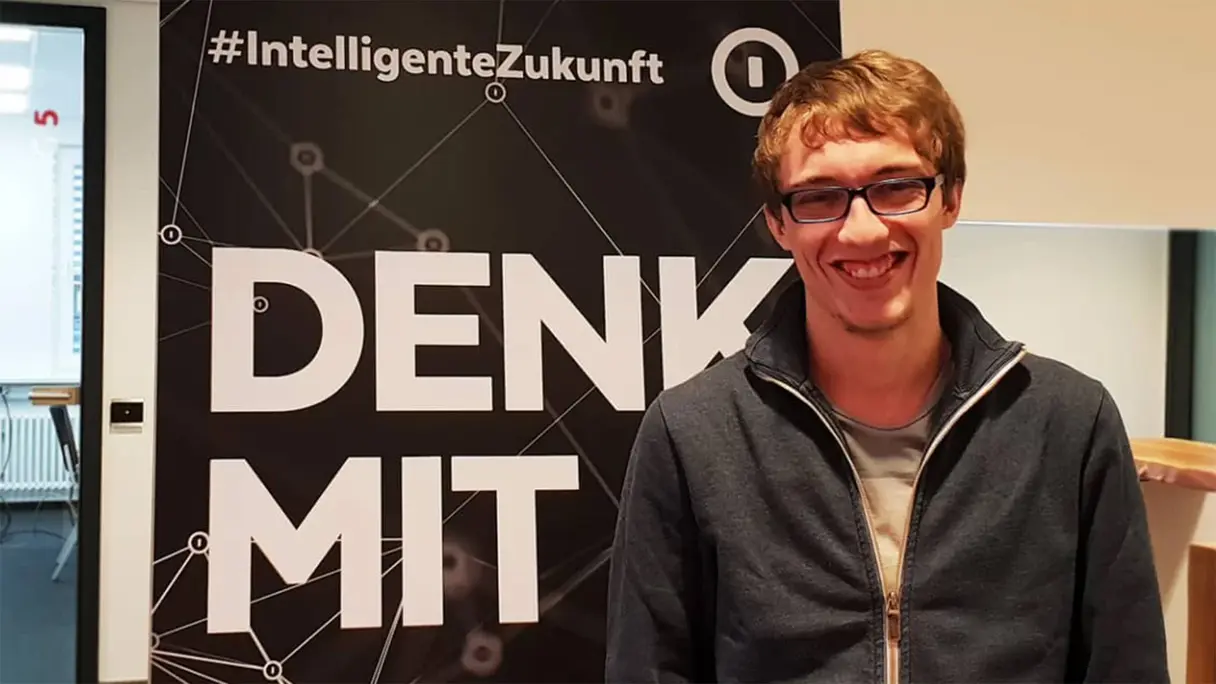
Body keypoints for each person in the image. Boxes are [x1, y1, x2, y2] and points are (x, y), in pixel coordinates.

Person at [604, 49, 1168, 684]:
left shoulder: (1071, 425)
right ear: (778, 224)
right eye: (820, 197)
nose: (863, 232)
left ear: (950, 199)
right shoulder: (691, 436)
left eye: (896, 187)